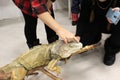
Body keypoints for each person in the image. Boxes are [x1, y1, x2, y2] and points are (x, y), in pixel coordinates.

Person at [12, 0, 80, 48]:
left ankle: (53, 43)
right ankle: (33, 47)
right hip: (25, 2)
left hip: (42, 2)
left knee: (50, 17)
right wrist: (60, 30)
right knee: (30, 22)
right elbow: (38, 7)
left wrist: (48, 3)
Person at [75, 0, 120, 66]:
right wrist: (78, 35)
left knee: (117, 39)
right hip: (94, 24)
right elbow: (83, 18)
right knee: (83, 41)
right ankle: (96, 37)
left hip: (115, 26)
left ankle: (111, 49)